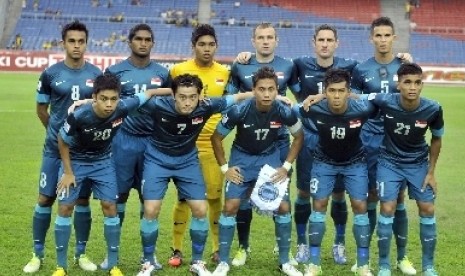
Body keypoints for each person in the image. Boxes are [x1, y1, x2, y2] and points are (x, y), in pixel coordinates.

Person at [136, 74, 253, 276]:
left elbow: (241, 96)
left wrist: (279, 97)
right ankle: (147, 262)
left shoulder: (206, 106)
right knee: (151, 209)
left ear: (200, 96)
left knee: (200, 209)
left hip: (187, 161)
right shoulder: (156, 105)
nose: (187, 102)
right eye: (182, 96)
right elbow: (123, 102)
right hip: (157, 159)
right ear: (173, 95)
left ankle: (198, 262)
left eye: (192, 97)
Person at [53, 72, 160, 276]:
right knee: (66, 207)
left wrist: (178, 91)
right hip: (76, 161)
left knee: (110, 206)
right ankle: (60, 267)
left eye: (113, 99)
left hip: (102, 162)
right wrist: (67, 172)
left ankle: (112, 265)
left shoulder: (123, 108)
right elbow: (62, 140)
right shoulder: (79, 114)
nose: (109, 104)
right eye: (103, 99)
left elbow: (151, 92)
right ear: (95, 97)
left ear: (119, 98)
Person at [23, 21, 102, 274]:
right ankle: (37, 255)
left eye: (81, 41)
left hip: (84, 152)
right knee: (45, 198)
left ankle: (81, 253)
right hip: (53, 150)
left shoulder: (97, 75)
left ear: (86, 43)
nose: (76, 46)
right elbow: (41, 110)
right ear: (63, 43)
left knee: (81, 200)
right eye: (72, 41)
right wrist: (57, 135)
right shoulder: (50, 73)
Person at [211, 66, 304, 276]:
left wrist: (286, 166)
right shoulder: (239, 110)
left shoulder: (282, 111)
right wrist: (225, 168)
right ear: (254, 89)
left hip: (269, 159)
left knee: (283, 206)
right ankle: (223, 262)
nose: (267, 94)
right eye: (262, 89)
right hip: (242, 159)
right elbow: (216, 138)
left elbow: (299, 137)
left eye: (271, 89)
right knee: (231, 205)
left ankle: (284, 261)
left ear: (277, 90)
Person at [225, 22, 300, 267]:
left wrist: (290, 103)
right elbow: (229, 98)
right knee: (243, 197)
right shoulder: (241, 64)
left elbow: (298, 98)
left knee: (279, 197)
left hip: (278, 139)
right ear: (253, 40)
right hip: (248, 135)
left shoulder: (288, 65)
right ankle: (243, 247)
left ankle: (282, 247)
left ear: (276, 40)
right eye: (261, 37)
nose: (265, 41)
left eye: (270, 37)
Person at [101, 23, 172, 270]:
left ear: (153, 43)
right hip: (123, 142)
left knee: (149, 201)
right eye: (138, 39)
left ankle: (149, 257)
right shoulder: (115, 71)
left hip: (152, 144)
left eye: (147, 39)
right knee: (117, 198)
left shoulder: (163, 73)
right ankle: (112, 256)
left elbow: (171, 106)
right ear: (129, 42)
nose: (143, 43)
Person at [351, 16, 416, 275]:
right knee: (370, 197)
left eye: (387, 35)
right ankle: (363, 258)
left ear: (394, 38)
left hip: (397, 141)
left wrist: (410, 65)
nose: (382, 40)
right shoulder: (361, 69)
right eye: (378, 35)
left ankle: (401, 258)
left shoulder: (404, 66)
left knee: (397, 198)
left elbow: (415, 96)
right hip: (368, 139)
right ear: (371, 38)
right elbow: (354, 101)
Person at [295, 69, 376, 276]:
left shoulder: (362, 108)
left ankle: (363, 265)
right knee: (319, 205)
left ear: (349, 92)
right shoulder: (313, 107)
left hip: (355, 162)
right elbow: (287, 111)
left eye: (342, 91)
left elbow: (384, 99)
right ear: (325, 91)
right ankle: (314, 263)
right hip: (324, 161)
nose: (337, 96)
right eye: (332, 91)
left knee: (360, 206)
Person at [366, 63, 443, 276]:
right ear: (398, 84)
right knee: (388, 208)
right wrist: (319, 97)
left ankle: (428, 266)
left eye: (417, 83)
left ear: (422, 85)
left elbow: (436, 139)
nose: (412, 87)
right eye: (407, 82)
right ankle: (383, 265)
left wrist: (431, 171)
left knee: (427, 208)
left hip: (418, 164)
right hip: (389, 162)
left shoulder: (433, 108)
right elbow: (355, 97)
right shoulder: (385, 101)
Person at [169, 24, 230, 266]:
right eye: (201, 44)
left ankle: (216, 248)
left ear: (216, 46)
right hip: (185, 145)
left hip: (211, 146)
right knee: (184, 199)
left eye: (211, 44)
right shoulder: (177, 71)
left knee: (214, 199)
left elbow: (231, 103)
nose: (206, 49)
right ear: (193, 46)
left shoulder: (224, 73)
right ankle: (176, 249)